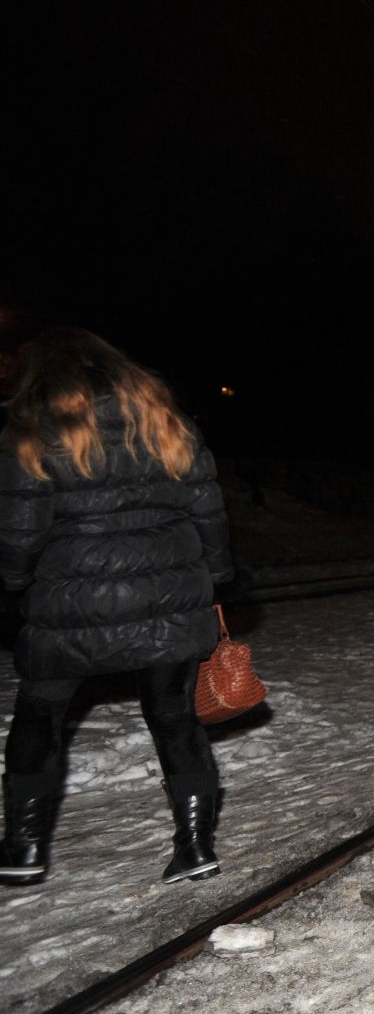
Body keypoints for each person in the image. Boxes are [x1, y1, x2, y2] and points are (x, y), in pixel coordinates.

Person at [1, 328, 233, 886]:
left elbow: (19, 532)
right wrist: (219, 577)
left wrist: (15, 584)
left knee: (39, 715)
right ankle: (196, 847)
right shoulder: (165, 422)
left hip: (68, 604)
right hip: (167, 601)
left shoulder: (32, 431)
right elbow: (209, 512)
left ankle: (23, 849)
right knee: (175, 718)